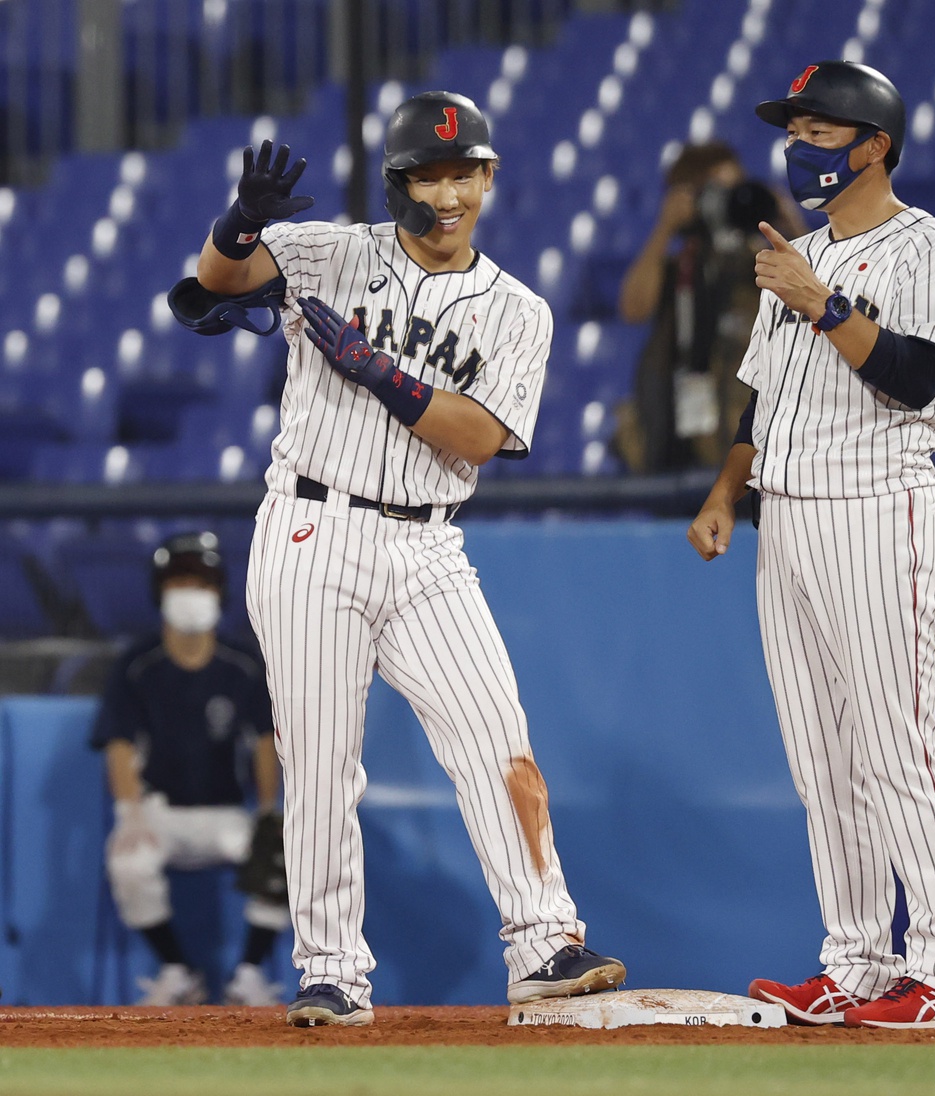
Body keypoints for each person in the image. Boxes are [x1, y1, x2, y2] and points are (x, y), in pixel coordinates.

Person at [185, 90, 625, 1027]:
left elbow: (475, 437)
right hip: (312, 527)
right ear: (400, 183)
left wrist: (382, 371)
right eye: (430, 174)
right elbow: (214, 284)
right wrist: (241, 221)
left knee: (496, 738)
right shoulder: (333, 252)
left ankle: (545, 941)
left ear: (490, 177)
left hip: (428, 540)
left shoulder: (517, 311)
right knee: (320, 765)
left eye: (465, 172)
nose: (449, 191)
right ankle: (332, 970)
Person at [687, 61, 935, 1030]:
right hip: (788, 515)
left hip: (875, 505)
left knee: (898, 748)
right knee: (823, 760)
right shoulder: (800, 253)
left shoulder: (930, 250)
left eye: (822, 130)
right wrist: (724, 491)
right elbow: (761, 399)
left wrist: (819, 301)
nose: (801, 144)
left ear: (875, 144)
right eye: (797, 129)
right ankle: (857, 961)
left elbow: (916, 376)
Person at [91, 531, 289, 1008]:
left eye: (201, 581)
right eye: (180, 581)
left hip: (228, 815)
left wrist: (267, 811)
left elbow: (264, 740)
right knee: (128, 860)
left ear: (218, 590)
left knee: (290, 858)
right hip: (160, 812)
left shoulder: (241, 664)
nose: (191, 592)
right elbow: (118, 743)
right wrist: (128, 813)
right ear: (161, 590)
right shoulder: (138, 664)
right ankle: (178, 970)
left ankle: (248, 974)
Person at [613, 140, 805, 472]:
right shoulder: (677, 268)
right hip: (678, 443)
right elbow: (633, 308)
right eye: (714, 193)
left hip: (755, 447)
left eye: (734, 192)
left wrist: (788, 226)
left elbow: (818, 304)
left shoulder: (761, 266)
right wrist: (665, 228)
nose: (725, 205)